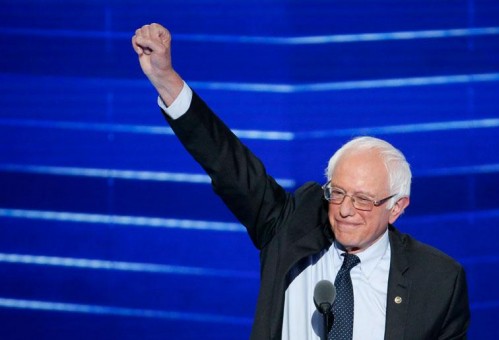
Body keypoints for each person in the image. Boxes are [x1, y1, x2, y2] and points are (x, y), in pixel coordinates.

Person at [132, 23, 470, 340]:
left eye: (364, 199)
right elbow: (228, 164)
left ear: (397, 207)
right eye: (337, 192)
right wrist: (165, 78)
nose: (345, 210)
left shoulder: (437, 281)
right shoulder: (291, 228)